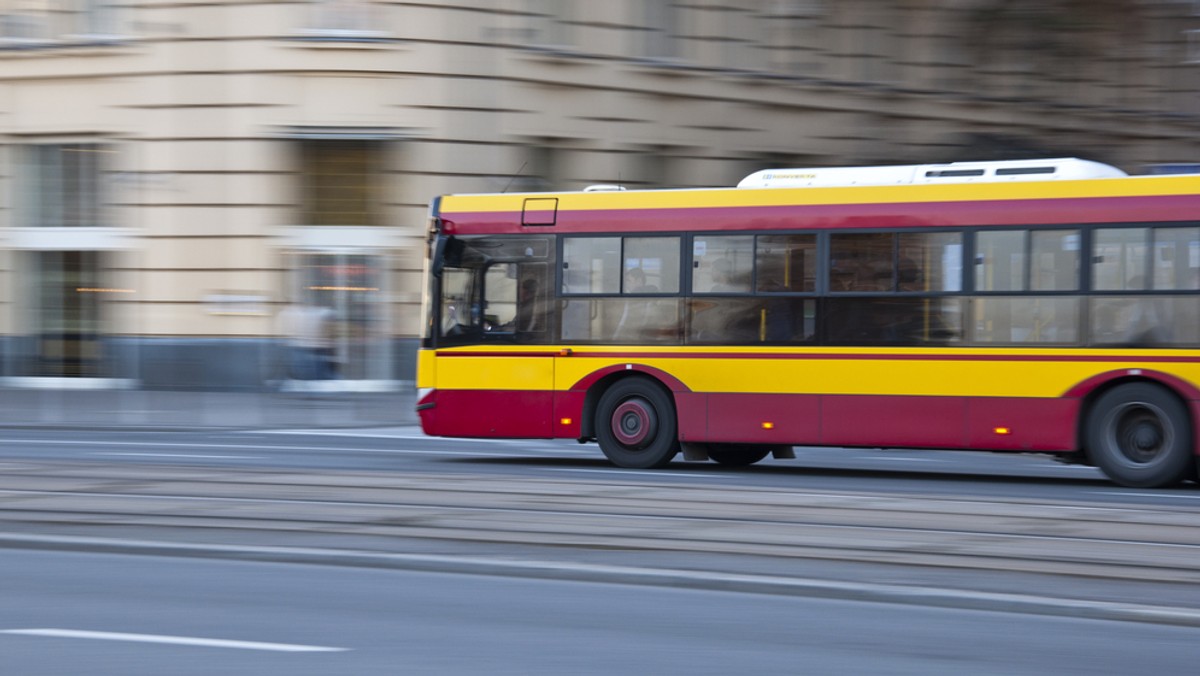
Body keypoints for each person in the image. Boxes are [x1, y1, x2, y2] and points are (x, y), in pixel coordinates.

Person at [278, 301, 337, 380]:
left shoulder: (290, 313)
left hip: (304, 346)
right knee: (319, 371)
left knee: (315, 370)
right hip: (312, 347)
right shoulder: (323, 313)